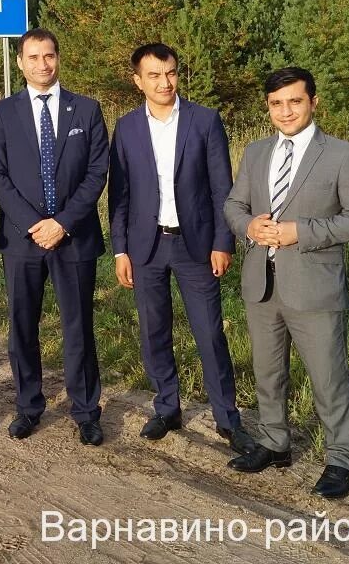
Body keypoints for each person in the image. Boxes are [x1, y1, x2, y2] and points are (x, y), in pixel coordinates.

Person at [224, 67, 349, 500]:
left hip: (315, 287)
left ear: (313, 102)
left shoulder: (343, 155)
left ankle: (341, 459)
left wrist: (300, 232)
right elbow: (233, 204)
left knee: (329, 378)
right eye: (276, 103)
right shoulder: (255, 153)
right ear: (267, 106)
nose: (285, 110)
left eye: (294, 101)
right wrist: (248, 226)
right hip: (262, 284)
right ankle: (275, 443)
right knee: (268, 373)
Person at [108, 43, 254, 454]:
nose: (164, 82)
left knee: (209, 333)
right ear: (138, 81)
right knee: (154, 331)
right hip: (146, 246)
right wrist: (120, 249)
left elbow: (221, 188)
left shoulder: (205, 121)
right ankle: (166, 407)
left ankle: (228, 418)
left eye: (170, 72)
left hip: (196, 246)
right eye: (153, 75)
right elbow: (118, 196)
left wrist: (223, 241)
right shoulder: (127, 127)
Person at [0, 28, 109, 445]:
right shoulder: (2, 113)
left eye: (49, 56)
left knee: (78, 326)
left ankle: (87, 410)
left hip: (73, 236)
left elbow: (97, 173)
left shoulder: (87, 110)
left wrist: (62, 223)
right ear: (20, 62)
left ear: (58, 59)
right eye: (34, 57)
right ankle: (28, 406)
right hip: (22, 239)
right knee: (23, 325)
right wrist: (32, 224)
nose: (43, 64)